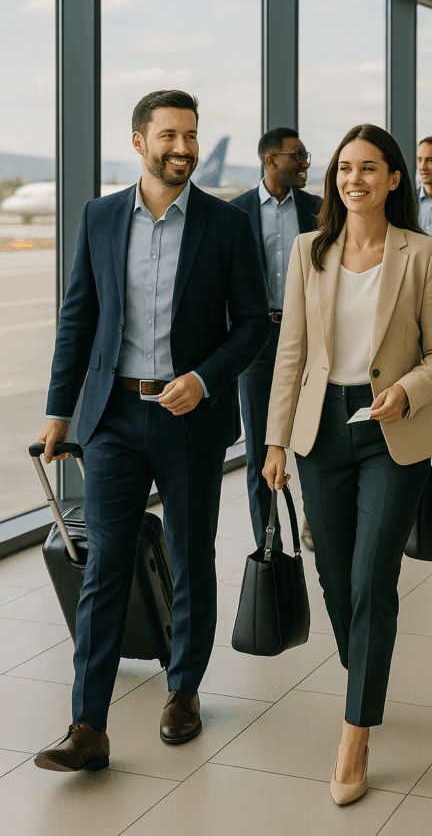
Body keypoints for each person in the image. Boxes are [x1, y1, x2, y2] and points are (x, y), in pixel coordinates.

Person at [33, 91, 270, 772]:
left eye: (191, 135)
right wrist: (59, 412)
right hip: (112, 418)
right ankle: (88, 724)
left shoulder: (225, 225)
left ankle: (183, 691)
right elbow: (79, 318)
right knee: (105, 564)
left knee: (190, 553)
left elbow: (253, 324)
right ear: (139, 142)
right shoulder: (102, 217)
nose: (183, 147)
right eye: (169, 134)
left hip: (188, 417)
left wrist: (203, 379)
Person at [262, 124, 432, 805]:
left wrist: (407, 390)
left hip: (391, 433)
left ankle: (354, 732)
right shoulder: (307, 250)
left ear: (394, 179)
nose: (354, 179)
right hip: (321, 433)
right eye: (344, 168)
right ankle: (363, 671)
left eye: (369, 168)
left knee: (373, 576)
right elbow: (292, 350)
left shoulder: (423, 254)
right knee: (334, 575)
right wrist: (274, 441)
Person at [231, 128, 321, 554]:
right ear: (271, 160)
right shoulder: (236, 214)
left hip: (310, 338)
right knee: (260, 452)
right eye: (297, 155)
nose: (305, 162)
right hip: (258, 342)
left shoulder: (319, 211)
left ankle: (317, 521)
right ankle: (268, 545)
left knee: (317, 440)